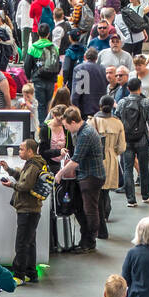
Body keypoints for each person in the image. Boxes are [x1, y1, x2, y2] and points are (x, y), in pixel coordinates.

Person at [0, 138, 49, 284]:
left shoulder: (33, 166)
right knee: (29, 242)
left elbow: (25, 185)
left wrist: (12, 186)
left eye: (21, 149)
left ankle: (19, 275)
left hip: (27, 209)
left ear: (30, 151)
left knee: (21, 243)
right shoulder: (34, 164)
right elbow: (23, 177)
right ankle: (31, 273)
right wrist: (8, 170)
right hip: (31, 209)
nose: (19, 151)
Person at [56, 106, 106, 252]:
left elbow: (76, 160)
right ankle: (86, 240)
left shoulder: (85, 134)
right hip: (88, 175)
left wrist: (60, 173)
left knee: (90, 210)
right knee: (82, 208)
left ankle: (89, 242)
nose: (65, 128)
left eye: (65, 125)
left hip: (91, 177)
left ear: (72, 122)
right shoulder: (83, 131)